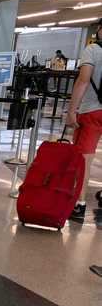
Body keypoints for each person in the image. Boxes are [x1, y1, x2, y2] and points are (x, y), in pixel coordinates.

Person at [65, 19, 102, 221]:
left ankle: (79, 204)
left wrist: (72, 110)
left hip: (92, 111)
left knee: (84, 159)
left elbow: (83, 80)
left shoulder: (93, 50)